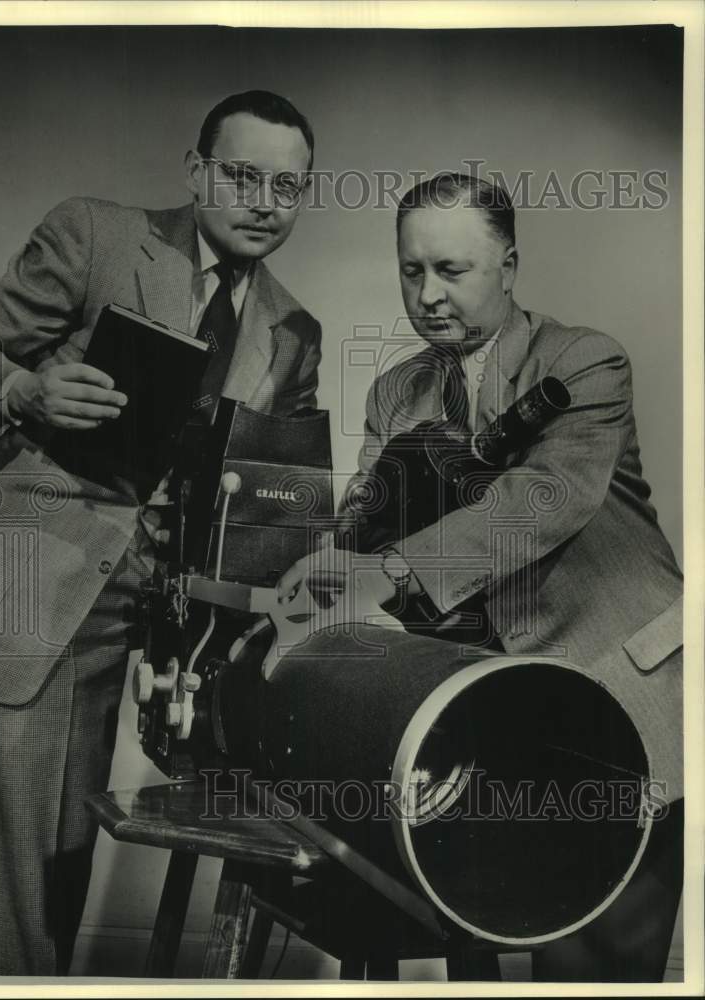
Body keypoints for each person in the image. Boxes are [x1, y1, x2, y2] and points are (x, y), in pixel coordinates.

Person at [0, 89, 321, 976]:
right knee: (14, 881)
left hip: (146, 619)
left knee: (67, 861)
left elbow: (263, 499)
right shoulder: (96, 235)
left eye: (288, 187)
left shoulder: (295, 331)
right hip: (27, 588)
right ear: (195, 171)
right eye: (243, 176)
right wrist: (20, 392)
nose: (265, 202)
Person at [277, 172, 683, 982]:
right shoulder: (399, 391)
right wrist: (321, 568)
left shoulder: (583, 362)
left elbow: (538, 501)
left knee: (592, 969)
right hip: (495, 719)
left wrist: (385, 571)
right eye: (410, 270)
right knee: (473, 945)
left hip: (619, 704)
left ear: (508, 265)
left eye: (451, 271)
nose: (427, 295)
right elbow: (367, 517)